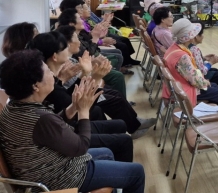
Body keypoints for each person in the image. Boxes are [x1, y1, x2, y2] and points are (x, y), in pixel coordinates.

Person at [0, 50, 145, 193]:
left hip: (43, 170)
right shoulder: (41, 118)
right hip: (58, 179)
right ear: (35, 86)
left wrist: (74, 107)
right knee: (137, 172)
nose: (52, 74)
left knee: (107, 152)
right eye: (47, 71)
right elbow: (81, 147)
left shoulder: (12, 107)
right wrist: (83, 111)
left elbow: (51, 128)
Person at [35, 29, 154, 139]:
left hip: (75, 105)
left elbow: (68, 95)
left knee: (112, 98)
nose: (68, 48)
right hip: (71, 128)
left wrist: (79, 75)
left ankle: (132, 124)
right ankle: (127, 130)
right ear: (54, 56)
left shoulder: (56, 71)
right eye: (65, 47)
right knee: (108, 104)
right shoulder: (47, 80)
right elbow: (74, 105)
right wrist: (94, 77)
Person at [162, 19, 218, 130]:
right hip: (185, 93)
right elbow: (196, 81)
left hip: (178, 89)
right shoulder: (182, 56)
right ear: (189, 37)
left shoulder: (174, 48)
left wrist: (205, 81)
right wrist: (205, 82)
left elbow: (189, 73)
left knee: (214, 86)